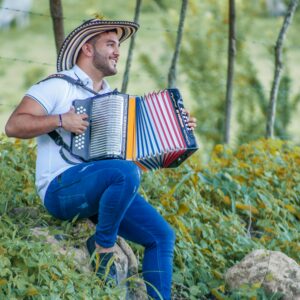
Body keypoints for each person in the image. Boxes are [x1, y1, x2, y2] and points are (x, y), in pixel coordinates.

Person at [5, 18, 197, 299]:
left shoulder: (113, 100)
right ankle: (103, 246)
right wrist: (61, 120)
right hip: (60, 190)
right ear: (87, 48)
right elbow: (13, 125)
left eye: (118, 45)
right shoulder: (58, 86)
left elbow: (131, 164)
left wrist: (177, 133)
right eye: (110, 44)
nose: (117, 51)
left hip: (102, 188)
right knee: (124, 172)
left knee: (161, 236)